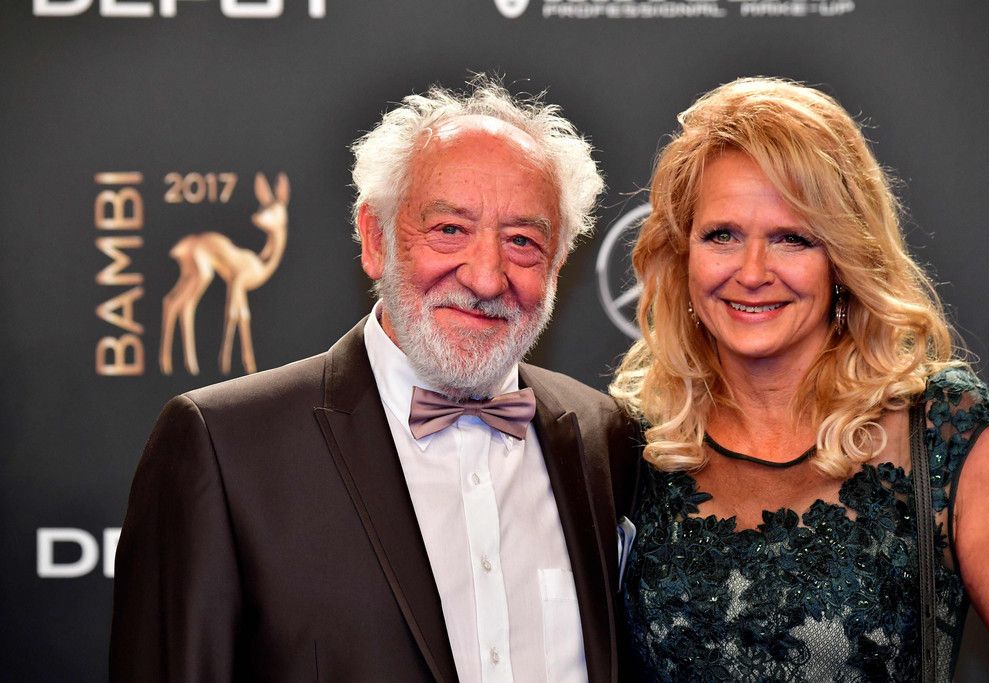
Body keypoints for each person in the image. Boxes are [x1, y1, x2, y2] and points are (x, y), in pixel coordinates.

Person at [110, 78, 637, 682]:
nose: (486, 278)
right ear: (374, 238)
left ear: (558, 263)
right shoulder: (225, 447)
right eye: (449, 230)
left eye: (522, 241)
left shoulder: (603, 438)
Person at [611, 77, 989, 681]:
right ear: (683, 254)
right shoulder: (628, 440)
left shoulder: (945, 429)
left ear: (843, 258)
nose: (753, 272)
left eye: (792, 239)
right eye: (723, 235)